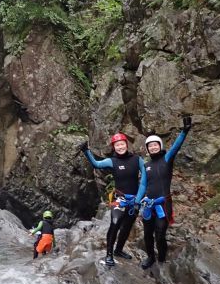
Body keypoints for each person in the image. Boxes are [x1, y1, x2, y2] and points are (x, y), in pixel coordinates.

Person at [79, 133, 147, 267]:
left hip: (134, 200)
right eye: (117, 145)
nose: (120, 147)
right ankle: (109, 255)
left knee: (127, 227)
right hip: (119, 199)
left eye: (122, 144)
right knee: (115, 223)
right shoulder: (112, 161)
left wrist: (138, 201)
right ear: (114, 147)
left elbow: (144, 182)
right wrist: (86, 151)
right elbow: (96, 164)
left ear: (126, 144)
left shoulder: (137, 160)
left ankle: (119, 250)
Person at [139, 115, 192, 275]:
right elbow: (143, 184)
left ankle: (161, 257)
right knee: (147, 233)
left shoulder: (167, 159)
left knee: (160, 232)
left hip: (163, 203)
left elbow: (175, 147)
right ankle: (150, 257)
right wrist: (137, 201)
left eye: (155, 145)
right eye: (150, 146)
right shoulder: (146, 165)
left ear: (160, 146)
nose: (153, 148)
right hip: (148, 203)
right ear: (147, 149)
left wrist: (184, 132)